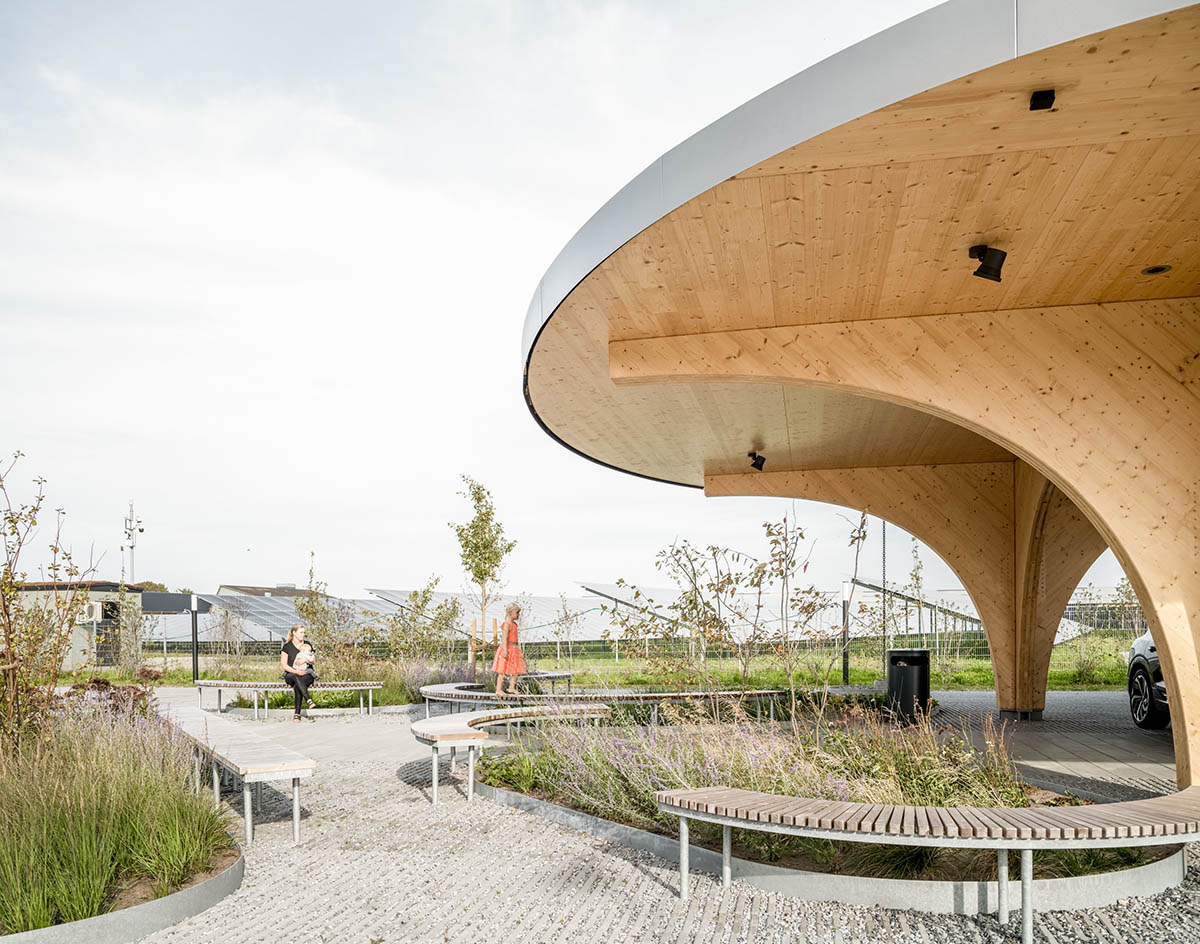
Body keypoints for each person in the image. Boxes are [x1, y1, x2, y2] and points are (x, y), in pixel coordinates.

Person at [280, 624, 317, 721]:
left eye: (304, 632)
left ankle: (297, 714)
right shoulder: (287, 647)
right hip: (291, 674)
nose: (303, 634)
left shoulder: (307, 644)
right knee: (296, 677)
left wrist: (304, 661)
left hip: (306, 673)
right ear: (294, 633)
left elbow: (313, 661)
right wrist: (296, 671)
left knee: (298, 685)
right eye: (301, 632)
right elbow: (284, 664)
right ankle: (308, 699)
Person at [492, 603, 526, 696]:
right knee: (502, 670)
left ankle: (511, 687)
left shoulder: (514, 624)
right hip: (507, 648)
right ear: (510, 613)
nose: (518, 615)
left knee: (516, 670)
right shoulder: (506, 624)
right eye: (517, 613)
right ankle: (498, 689)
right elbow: (505, 638)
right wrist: (505, 650)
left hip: (515, 649)